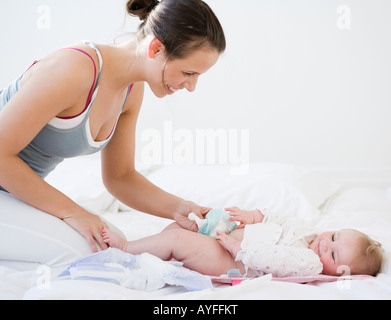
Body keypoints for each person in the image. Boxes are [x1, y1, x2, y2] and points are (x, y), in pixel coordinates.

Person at [0, 0, 225, 268]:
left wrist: (180, 208)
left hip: (9, 192)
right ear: (156, 48)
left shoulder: (131, 91)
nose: (191, 87)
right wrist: (73, 212)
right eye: (189, 72)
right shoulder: (74, 69)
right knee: (88, 254)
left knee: (112, 243)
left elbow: (120, 176)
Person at [102, 207, 384, 277]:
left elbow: (275, 260)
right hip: (224, 242)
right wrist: (256, 215)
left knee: (177, 238)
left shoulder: (309, 263)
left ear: (338, 272)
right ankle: (146, 255)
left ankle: (124, 249)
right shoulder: (308, 233)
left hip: (231, 259)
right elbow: (280, 218)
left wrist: (239, 249)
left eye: (333, 254)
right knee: (178, 228)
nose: (325, 244)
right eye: (333, 237)